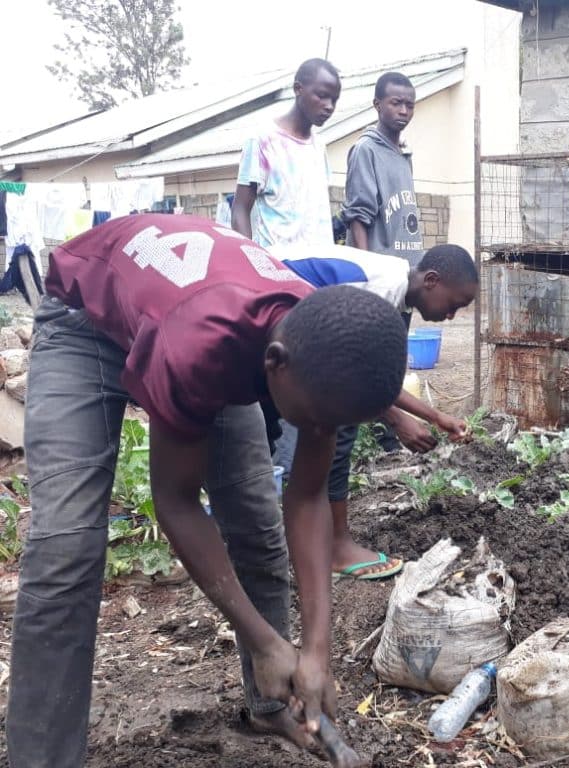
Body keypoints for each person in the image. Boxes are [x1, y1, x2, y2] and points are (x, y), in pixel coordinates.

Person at [6, 214, 407, 768]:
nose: (317, 434)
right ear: (274, 366)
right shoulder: (200, 348)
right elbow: (175, 500)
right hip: (87, 327)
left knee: (257, 526)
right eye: (314, 422)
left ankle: (273, 703)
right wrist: (263, 639)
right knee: (66, 548)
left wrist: (318, 649)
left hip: (190, 315)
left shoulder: (318, 339)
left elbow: (308, 497)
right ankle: (41, 757)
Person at [267, 242, 478, 579]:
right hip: (270, 313)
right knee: (336, 421)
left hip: (291, 329)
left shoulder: (399, 290)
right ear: (432, 280)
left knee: (332, 423)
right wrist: (396, 420)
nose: (451, 316)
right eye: (454, 305)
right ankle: (334, 547)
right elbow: (352, 376)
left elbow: (373, 374)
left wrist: (435, 417)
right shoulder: (376, 290)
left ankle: (320, 541)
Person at [231, 58, 340, 249]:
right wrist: (252, 263)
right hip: (280, 269)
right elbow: (240, 210)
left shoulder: (319, 146)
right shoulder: (263, 141)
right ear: (298, 89)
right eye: (322, 96)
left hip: (320, 271)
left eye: (334, 99)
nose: (329, 106)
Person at [342, 71, 423, 266]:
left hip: (407, 268)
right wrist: (367, 270)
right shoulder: (366, 150)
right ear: (377, 105)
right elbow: (358, 216)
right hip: (380, 271)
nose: (404, 111)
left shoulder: (404, 153)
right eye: (396, 103)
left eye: (409, 106)